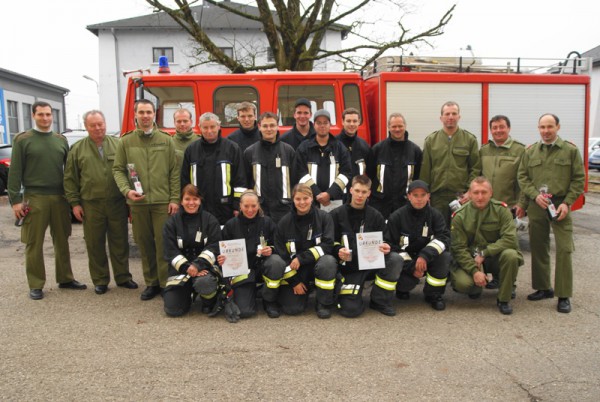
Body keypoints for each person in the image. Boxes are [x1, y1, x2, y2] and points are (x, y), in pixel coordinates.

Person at [8, 101, 87, 300]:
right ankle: (36, 284)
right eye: (41, 114)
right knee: (33, 242)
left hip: (59, 197)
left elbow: (68, 172)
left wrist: (72, 197)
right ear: (33, 115)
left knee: (62, 239)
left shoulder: (60, 140)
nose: (45, 118)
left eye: (48, 114)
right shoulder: (23, 140)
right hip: (35, 198)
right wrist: (16, 200)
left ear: (52, 116)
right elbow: (15, 171)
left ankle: (65, 278)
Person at [113, 99, 180, 300]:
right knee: (144, 244)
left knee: (162, 244)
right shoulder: (125, 142)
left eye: (148, 112)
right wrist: (126, 191)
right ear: (135, 114)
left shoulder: (166, 140)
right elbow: (118, 170)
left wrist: (174, 198)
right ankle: (151, 283)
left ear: (154, 114)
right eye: (141, 112)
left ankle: (164, 282)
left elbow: (173, 172)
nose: (145, 116)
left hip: (161, 202)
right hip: (138, 203)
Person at [64, 110, 137, 295]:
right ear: (86, 127)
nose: (97, 128)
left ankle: (123, 277)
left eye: (100, 124)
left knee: (120, 241)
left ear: (105, 123)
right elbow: (70, 179)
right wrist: (75, 203)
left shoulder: (118, 144)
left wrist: (130, 199)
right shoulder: (78, 149)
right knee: (94, 243)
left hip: (116, 202)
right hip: (91, 204)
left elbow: (129, 172)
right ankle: (100, 280)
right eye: (93, 125)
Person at [517, 113, 585, 313]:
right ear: (538, 128)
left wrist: (568, 203)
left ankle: (563, 294)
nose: (546, 131)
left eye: (549, 127)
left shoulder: (570, 150)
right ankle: (543, 287)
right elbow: (523, 177)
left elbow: (578, 180)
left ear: (558, 127)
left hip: (560, 204)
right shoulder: (530, 152)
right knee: (539, 247)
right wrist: (532, 196)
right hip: (538, 204)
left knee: (564, 249)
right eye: (542, 127)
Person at [330, 175, 402, 317]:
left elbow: (387, 240)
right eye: (357, 191)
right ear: (350, 190)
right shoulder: (336, 214)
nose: (360, 195)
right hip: (348, 268)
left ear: (369, 193)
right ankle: (346, 292)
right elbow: (329, 241)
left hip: (370, 265)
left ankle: (380, 300)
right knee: (350, 311)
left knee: (395, 259)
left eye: (364, 192)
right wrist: (338, 249)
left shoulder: (376, 216)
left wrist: (387, 246)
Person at [450, 177, 523, 315]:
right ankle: (476, 286)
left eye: (484, 192)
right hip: (472, 259)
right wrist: (474, 271)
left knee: (511, 255)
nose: (480, 196)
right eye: (476, 192)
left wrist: (485, 253)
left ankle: (504, 298)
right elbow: (458, 249)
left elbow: (510, 239)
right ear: (469, 194)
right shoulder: (460, 216)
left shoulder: (501, 211)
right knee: (465, 285)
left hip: (494, 257)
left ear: (491, 193)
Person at [219, 190, 286, 318]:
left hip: (262, 266)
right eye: (246, 206)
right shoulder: (230, 225)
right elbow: (221, 249)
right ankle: (254, 292)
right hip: (242, 272)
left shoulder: (268, 222)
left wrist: (271, 249)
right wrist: (222, 259)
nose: (250, 209)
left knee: (276, 261)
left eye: (254, 206)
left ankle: (269, 301)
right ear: (240, 206)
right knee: (245, 312)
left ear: (258, 205)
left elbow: (279, 245)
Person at [385, 180, 451, 311]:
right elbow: (391, 245)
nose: (419, 199)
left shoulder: (436, 215)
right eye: (415, 195)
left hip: (428, 258)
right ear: (409, 196)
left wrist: (425, 255)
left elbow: (444, 238)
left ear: (428, 196)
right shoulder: (397, 217)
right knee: (406, 283)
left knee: (444, 256)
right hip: (407, 261)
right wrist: (411, 267)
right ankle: (402, 289)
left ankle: (434, 294)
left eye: (423, 195)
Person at [275, 184, 338, 318]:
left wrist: (301, 258)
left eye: (306, 198)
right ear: (293, 200)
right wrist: (294, 282)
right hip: (296, 272)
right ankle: (303, 289)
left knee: (328, 261)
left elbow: (327, 245)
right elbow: (282, 255)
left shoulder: (324, 217)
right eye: (298, 199)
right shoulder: (284, 223)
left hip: (318, 266)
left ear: (312, 198)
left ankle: (323, 303)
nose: (302, 202)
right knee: (292, 309)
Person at [479, 115, 526, 289]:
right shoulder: (484, 150)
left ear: (509, 128)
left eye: (502, 127)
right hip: (485, 207)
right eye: (495, 127)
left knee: (508, 246)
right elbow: (478, 175)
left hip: (508, 207)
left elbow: (524, 179)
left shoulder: (519, 150)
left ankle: (510, 284)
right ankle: (496, 278)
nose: (498, 130)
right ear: (491, 130)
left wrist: (521, 204)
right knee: (488, 242)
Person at [162, 184, 222, 317]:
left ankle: (208, 301)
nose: (191, 203)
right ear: (181, 201)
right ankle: (187, 291)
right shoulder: (171, 223)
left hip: (205, 268)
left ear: (200, 200)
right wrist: (187, 267)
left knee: (204, 283)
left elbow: (214, 245)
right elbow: (170, 250)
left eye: (195, 199)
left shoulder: (210, 220)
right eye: (187, 199)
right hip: (181, 269)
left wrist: (197, 265)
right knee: (174, 310)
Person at [420, 101, 481, 225]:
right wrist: (424, 194)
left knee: (461, 230)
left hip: (461, 196)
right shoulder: (431, 140)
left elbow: (475, 168)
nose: (450, 117)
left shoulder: (469, 140)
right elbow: (425, 169)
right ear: (441, 117)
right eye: (447, 114)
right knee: (439, 229)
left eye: (454, 113)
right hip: (438, 197)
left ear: (459, 117)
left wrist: (470, 191)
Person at [181, 112, 246, 225]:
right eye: (205, 127)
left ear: (218, 126)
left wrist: (237, 206)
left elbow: (240, 180)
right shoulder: (191, 150)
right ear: (199, 127)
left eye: (212, 127)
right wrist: (188, 203)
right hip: (198, 207)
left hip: (226, 209)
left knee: (226, 241)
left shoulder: (232, 148)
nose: (209, 131)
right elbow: (185, 180)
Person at [243, 111, 297, 223]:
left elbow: (295, 181)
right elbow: (246, 182)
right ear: (259, 127)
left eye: (272, 125)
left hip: (284, 210)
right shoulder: (250, 152)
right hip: (259, 210)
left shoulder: (288, 151)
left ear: (277, 127)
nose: (269, 129)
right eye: (265, 126)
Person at [295, 109, 352, 210]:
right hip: (311, 202)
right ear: (314, 125)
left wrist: (330, 194)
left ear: (330, 125)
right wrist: (317, 193)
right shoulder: (304, 147)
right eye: (319, 123)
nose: (322, 126)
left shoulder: (340, 148)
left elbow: (346, 173)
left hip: (335, 202)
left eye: (325, 123)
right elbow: (300, 172)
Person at [368, 113, 422, 219]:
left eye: (400, 126)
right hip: (380, 204)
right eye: (394, 126)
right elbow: (370, 174)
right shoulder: (377, 149)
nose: (397, 129)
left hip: (405, 204)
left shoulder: (415, 151)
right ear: (388, 127)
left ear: (405, 126)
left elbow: (417, 177)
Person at [336, 108, 371, 198]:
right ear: (342, 122)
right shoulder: (333, 144)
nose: (352, 124)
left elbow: (370, 173)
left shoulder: (364, 146)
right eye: (348, 121)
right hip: (337, 195)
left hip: (357, 196)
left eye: (354, 121)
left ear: (359, 122)